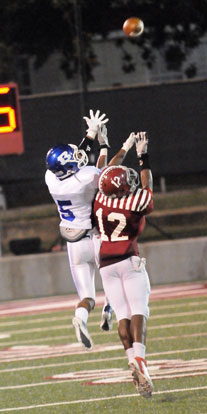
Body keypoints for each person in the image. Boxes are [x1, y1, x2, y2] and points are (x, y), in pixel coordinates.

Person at [45, 109, 136, 350]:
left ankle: (81, 317)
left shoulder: (51, 178)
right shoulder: (85, 178)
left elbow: (78, 159)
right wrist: (109, 144)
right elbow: (107, 172)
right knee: (115, 280)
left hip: (73, 245)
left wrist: (90, 136)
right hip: (94, 238)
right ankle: (110, 308)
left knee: (86, 297)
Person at [93, 131, 154, 398]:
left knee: (122, 315)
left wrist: (124, 147)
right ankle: (140, 360)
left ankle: (131, 360)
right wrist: (143, 157)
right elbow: (147, 186)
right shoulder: (134, 201)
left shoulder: (100, 198)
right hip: (129, 260)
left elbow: (107, 171)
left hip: (105, 264)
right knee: (139, 309)